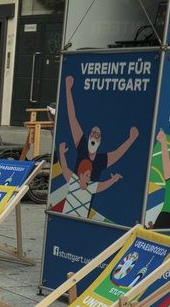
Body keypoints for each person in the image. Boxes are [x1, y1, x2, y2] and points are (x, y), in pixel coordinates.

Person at [57, 74, 140, 212]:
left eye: (97, 135)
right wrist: (67, 89)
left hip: (85, 209)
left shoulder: (101, 161)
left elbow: (118, 153)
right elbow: (72, 118)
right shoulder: (82, 147)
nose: (94, 137)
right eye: (92, 134)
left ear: (99, 141)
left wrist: (132, 138)